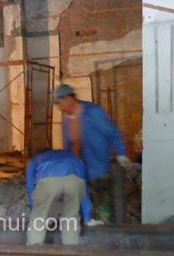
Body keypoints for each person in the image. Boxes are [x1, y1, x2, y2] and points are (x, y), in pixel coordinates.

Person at [55, 84, 130, 224]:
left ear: (68, 99)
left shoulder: (93, 112)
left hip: (98, 169)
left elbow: (112, 131)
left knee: (102, 207)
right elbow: (68, 145)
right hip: (79, 172)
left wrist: (121, 152)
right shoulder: (66, 120)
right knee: (84, 211)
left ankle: (106, 231)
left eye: (60, 103)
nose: (60, 108)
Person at [26, 149, 89, 246]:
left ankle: (34, 247)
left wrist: (33, 204)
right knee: (71, 215)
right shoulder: (74, 157)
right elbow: (84, 185)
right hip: (73, 180)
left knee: (39, 217)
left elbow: (30, 182)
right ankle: (71, 247)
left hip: (48, 180)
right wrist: (87, 214)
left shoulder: (36, 159)